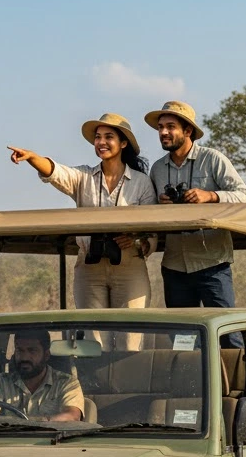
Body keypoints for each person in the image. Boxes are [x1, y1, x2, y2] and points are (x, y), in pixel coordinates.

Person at [8, 113, 156, 315]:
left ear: (123, 143)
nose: (101, 142)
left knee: (131, 335)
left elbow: (153, 230)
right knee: (92, 334)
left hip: (129, 267)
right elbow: (55, 172)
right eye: (98, 137)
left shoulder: (142, 182)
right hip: (89, 266)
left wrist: (135, 241)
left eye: (108, 137)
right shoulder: (83, 177)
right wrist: (32, 157)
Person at [145, 101, 246, 312]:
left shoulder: (213, 159)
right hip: (173, 266)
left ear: (188, 130)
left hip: (213, 264)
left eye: (170, 127)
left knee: (227, 333)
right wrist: (161, 205)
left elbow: (243, 196)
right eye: (160, 127)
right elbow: (149, 212)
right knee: (183, 336)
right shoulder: (157, 169)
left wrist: (210, 196)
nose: (163, 132)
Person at [0, 330, 84, 421]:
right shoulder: (3, 381)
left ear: (46, 355)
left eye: (32, 351)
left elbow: (72, 416)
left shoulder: (66, 383)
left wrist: (28, 422)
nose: (24, 357)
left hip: (53, 445)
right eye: (20, 350)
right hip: (9, 446)